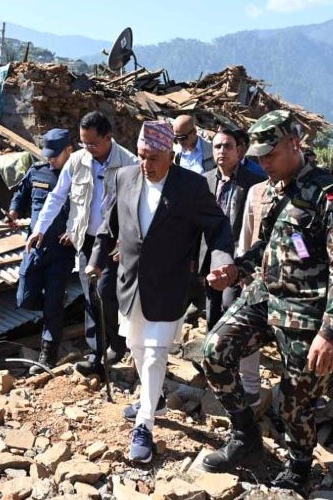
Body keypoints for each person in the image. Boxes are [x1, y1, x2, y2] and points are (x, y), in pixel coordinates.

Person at [201, 110, 333, 489]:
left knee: (295, 401)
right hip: (264, 296)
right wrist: (236, 270)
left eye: (270, 155)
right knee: (214, 352)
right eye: (258, 157)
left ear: (294, 144)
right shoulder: (276, 189)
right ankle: (245, 436)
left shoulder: (331, 195)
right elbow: (268, 246)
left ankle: (299, 468)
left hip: (306, 310)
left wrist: (331, 331)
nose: (264, 164)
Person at [87, 120, 234, 463]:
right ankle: (154, 399)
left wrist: (222, 261)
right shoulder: (124, 178)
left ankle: (144, 425)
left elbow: (218, 227)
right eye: (141, 156)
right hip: (131, 285)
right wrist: (96, 260)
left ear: (171, 154)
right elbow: (108, 226)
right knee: (137, 348)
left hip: (169, 287)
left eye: (153, 158)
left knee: (154, 354)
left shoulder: (191, 187)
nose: (146, 164)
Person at [27, 112, 138, 377]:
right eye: (83, 142)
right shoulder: (77, 161)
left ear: (108, 137)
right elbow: (57, 196)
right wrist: (40, 228)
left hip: (115, 241)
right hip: (86, 240)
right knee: (91, 296)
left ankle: (119, 342)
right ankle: (96, 354)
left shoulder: (129, 163)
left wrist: (128, 239)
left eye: (92, 143)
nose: (87, 148)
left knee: (107, 292)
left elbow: (138, 206)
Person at [202, 128, 265, 406]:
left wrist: (245, 268)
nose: (221, 152)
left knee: (236, 315)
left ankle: (247, 383)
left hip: (241, 263)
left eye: (227, 146)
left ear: (239, 150)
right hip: (210, 260)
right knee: (212, 313)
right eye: (217, 146)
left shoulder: (255, 183)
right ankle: (218, 375)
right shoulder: (205, 181)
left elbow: (258, 230)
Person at [8, 129, 77, 375]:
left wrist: (75, 231)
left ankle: (48, 354)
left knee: (52, 304)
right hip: (35, 247)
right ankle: (55, 304)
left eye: (55, 155)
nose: (50, 159)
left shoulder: (79, 176)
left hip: (61, 250)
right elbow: (21, 194)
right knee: (24, 297)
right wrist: (14, 211)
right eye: (48, 154)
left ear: (69, 150)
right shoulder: (37, 171)